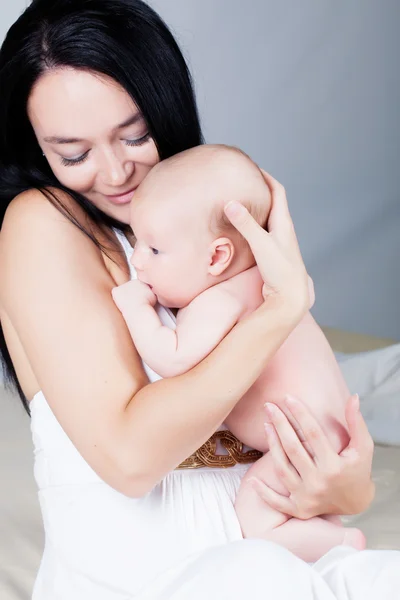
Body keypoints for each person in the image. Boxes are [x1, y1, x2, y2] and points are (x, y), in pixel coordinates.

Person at [0, 1, 398, 599]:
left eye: (135, 136)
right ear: (35, 148)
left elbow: (314, 458)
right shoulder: (41, 224)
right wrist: (280, 309)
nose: (115, 175)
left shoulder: (194, 227)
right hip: (151, 585)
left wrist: (346, 489)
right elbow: (131, 459)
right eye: (74, 155)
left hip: (282, 561)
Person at [112, 143, 366, 562]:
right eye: (137, 243)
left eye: (154, 250)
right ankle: (325, 535)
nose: (138, 260)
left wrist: (134, 308)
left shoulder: (218, 300)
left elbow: (174, 357)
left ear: (217, 257)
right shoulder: (277, 283)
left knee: (256, 515)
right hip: (328, 433)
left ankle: (340, 545)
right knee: (299, 505)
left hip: (299, 443)